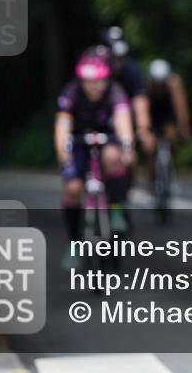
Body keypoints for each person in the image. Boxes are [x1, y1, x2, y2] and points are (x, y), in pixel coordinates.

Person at [54, 47, 135, 266]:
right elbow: (62, 128)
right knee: (72, 189)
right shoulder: (70, 93)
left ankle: (116, 209)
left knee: (113, 157)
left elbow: (123, 123)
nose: (94, 87)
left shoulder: (116, 92)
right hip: (79, 142)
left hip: (107, 138)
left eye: (98, 81)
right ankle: (74, 245)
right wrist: (64, 155)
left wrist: (127, 148)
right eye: (88, 82)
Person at [101, 26, 155, 158]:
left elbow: (140, 99)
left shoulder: (132, 70)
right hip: (98, 114)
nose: (118, 62)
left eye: (121, 57)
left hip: (124, 114)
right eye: (114, 57)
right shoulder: (93, 71)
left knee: (131, 152)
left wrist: (143, 129)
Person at [145, 59, 192, 191]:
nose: (160, 86)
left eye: (162, 83)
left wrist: (184, 126)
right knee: (151, 149)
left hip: (168, 113)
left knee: (171, 139)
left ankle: (173, 172)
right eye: (157, 83)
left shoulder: (174, 84)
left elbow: (180, 107)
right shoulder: (147, 86)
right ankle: (152, 180)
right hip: (153, 114)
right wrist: (145, 130)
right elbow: (143, 109)